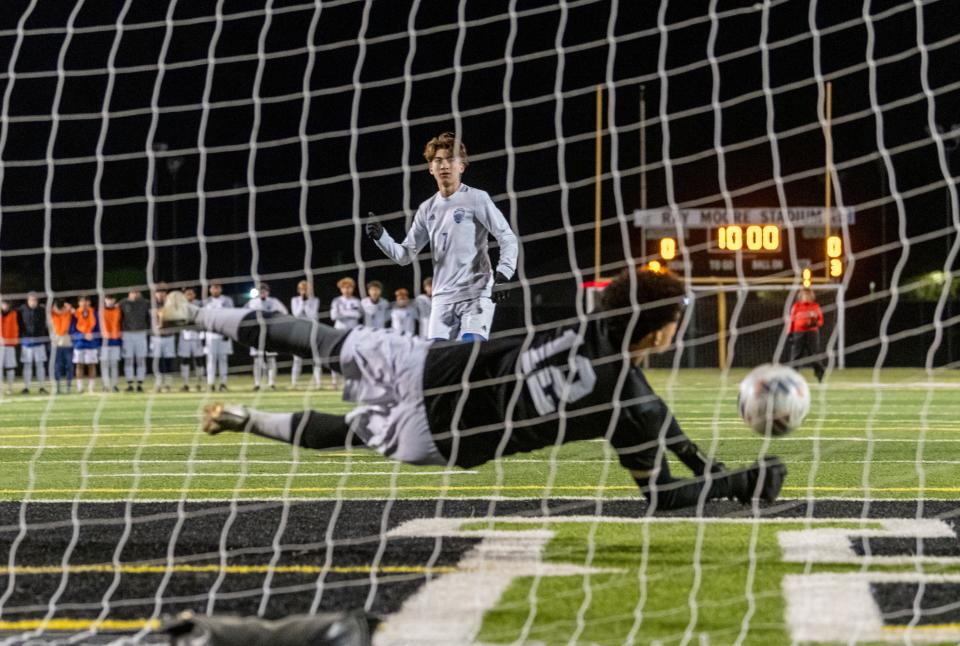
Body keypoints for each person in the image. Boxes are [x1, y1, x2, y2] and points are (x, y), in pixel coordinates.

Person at [162, 268, 786, 511]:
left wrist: (700, 454)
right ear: (662, 328)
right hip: (443, 437)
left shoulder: (586, 325)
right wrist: (733, 481)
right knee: (351, 434)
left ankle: (191, 314)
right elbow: (663, 495)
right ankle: (243, 417)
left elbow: (637, 387)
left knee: (321, 340)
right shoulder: (633, 403)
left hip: (431, 371)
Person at [366, 132, 519, 342]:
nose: (444, 165)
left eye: (450, 160)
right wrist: (381, 237)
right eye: (438, 161)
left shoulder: (476, 198)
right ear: (431, 168)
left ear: (461, 167)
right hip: (442, 298)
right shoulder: (427, 209)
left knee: (469, 351)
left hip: (476, 293)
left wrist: (504, 274)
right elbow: (405, 255)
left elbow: (507, 237)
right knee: (438, 363)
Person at [245, 282, 287, 391]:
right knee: (257, 360)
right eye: (261, 291)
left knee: (271, 358)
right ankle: (257, 384)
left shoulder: (274, 302)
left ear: (268, 292)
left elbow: (284, 312)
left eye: (264, 291)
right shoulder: (252, 303)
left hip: (270, 333)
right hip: (256, 333)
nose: (263, 293)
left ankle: (271, 383)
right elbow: (243, 314)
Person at [787, 288, 825, 383]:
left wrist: (814, 323)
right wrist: (790, 333)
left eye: (808, 295)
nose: (806, 297)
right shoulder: (796, 306)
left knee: (814, 355)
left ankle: (819, 373)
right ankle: (792, 376)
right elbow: (791, 321)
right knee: (796, 355)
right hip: (798, 333)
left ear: (812, 297)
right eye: (804, 295)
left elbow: (820, 321)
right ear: (801, 296)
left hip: (811, 333)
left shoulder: (815, 306)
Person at [290, 280, 321, 389]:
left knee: (315, 358)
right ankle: (294, 383)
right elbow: (296, 314)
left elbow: (311, 314)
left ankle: (318, 383)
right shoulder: (294, 300)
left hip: (312, 330)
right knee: (297, 358)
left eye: (307, 289)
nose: (305, 291)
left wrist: (306, 302)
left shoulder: (315, 300)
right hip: (299, 330)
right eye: (303, 289)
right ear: (299, 290)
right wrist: (302, 302)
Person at [203, 282, 234, 392]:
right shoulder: (206, 302)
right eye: (213, 288)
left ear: (221, 289)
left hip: (223, 334)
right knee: (211, 360)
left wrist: (228, 332)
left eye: (217, 287)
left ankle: (223, 383)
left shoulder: (227, 301)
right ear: (210, 289)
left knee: (223, 360)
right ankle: (210, 384)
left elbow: (231, 317)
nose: (215, 290)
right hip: (210, 335)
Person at [120, 288, 150, 392]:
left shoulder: (145, 303)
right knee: (128, 359)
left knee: (140, 359)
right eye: (133, 292)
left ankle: (140, 384)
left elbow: (150, 316)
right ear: (129, 293)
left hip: (141, 333)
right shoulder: (123, 303)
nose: (135, 294)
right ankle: (130, 384)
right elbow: (118, 316)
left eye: (137, 292)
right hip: (127, 334)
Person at [18, 292, 48, 395]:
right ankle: (26, 387)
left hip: (39, 342)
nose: (33, 302)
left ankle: (41, 387)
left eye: (35, 300)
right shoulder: (21, 310)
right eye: (31, 300)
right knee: (27, 365)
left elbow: (47, 323)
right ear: (27, 300)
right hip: (26, 342)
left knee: (40, 365)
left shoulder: (42, 310)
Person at [70, 295, 99, 394]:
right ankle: (80, 388)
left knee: (92, 365)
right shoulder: (75, 314)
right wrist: (82, 335)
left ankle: (91, 388)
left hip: (91, 344)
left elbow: (98, 328)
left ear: (89, 302)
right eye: (82, 301)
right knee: (79, 365)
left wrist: (93, 336)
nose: (85, 303)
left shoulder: (94, 313)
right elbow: (72, 330)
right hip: (79, 343)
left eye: (86, 301)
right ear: (79, 303)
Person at [177, 288, 205, 391]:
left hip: (197, 335)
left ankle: (199, 383)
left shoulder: (199, 304)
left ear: (194, 295)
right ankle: (185, 384)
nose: (189, 295)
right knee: (184, 360)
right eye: (187, 294)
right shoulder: (180, 305)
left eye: (191, 293)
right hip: (185, 335)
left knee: (199, 360)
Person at [150, 285, 177, 392]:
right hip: (156, 338)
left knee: (168, 361)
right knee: (157, 361)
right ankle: (158, 384)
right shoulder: (150, 304)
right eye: (158, 292)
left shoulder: (171, 305)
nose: (161, 294)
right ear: (155, 294)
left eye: (163, 292)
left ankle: (168, 384)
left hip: (169, 337)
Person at [50, 299, 74, 394]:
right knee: (57, 367)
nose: (59, 310)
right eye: (57, 308)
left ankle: (68, 387)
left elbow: (75, 313)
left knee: (69, 366)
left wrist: (69, 306)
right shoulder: (51, 314)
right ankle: (57, 387)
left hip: (67, 343)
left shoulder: (68, 312)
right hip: (56, 344)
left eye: (61, 308)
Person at [99, 294, 123, 392]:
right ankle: (105, 385)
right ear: (105, 300)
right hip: (104, 342)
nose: (110, 301)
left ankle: (114, 385)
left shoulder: (118, 310)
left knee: (114, 364)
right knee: (104, 365)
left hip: (115, 341)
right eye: (108, 299)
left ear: (114, 300)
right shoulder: (101, 311)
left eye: (111, 299)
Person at [0, 300, 19, 395]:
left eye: (5, 304)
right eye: (2, 304)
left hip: (10, 344)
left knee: (10, 367)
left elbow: (15, 328)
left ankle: (10, 388)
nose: (4, 306)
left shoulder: (13, 314)